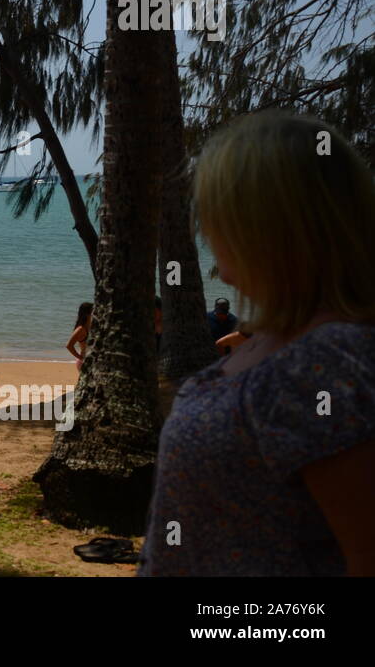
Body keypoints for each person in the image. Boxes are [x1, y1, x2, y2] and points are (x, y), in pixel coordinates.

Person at [139, 110, 375, 577]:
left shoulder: (327, 362)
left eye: (214, 211)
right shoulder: (285, 342)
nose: (205, 228)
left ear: (267, 223)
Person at [67, 302, 92, 371]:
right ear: (87, 314)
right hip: (84, 362)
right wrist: (80, 358)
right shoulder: (81, 329)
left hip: (90, 361)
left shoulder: (91, 327)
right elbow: (69, 346)